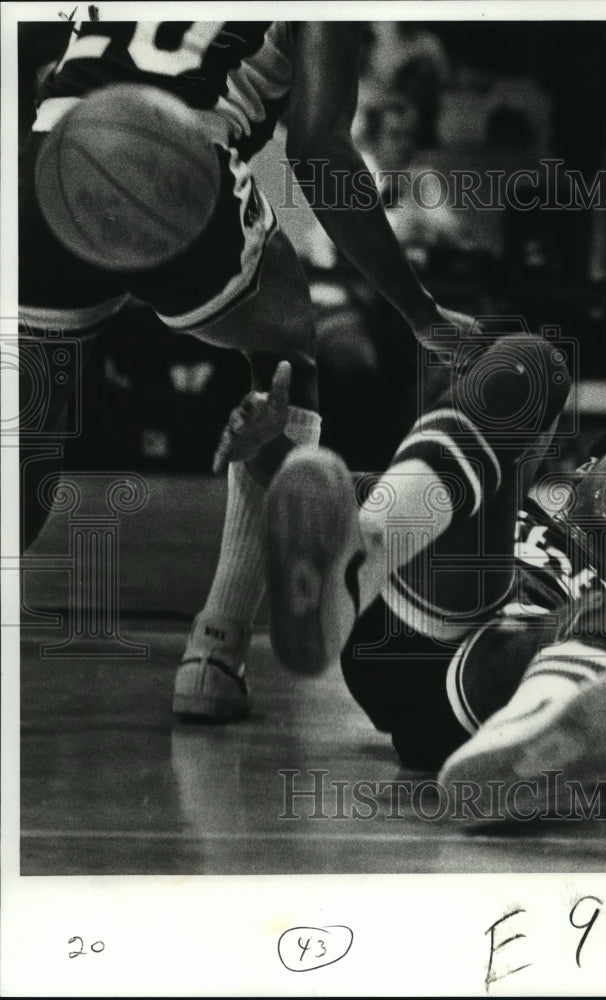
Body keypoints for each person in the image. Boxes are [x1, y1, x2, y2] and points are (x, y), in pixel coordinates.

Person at [18, 21, 476, 722]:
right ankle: (216, 651)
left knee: (29, 445)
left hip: (47, 160)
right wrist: (421, 314)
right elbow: (320, 151)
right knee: (291, 348)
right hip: (176, 162)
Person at [262, 330, 606, 810]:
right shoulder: (493, 509)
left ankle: (520, 747)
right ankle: (352, 581)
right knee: (536, 360)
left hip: (474, 693)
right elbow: (324, 501)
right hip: (404, 625)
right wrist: (265, 445)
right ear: (587, 471)